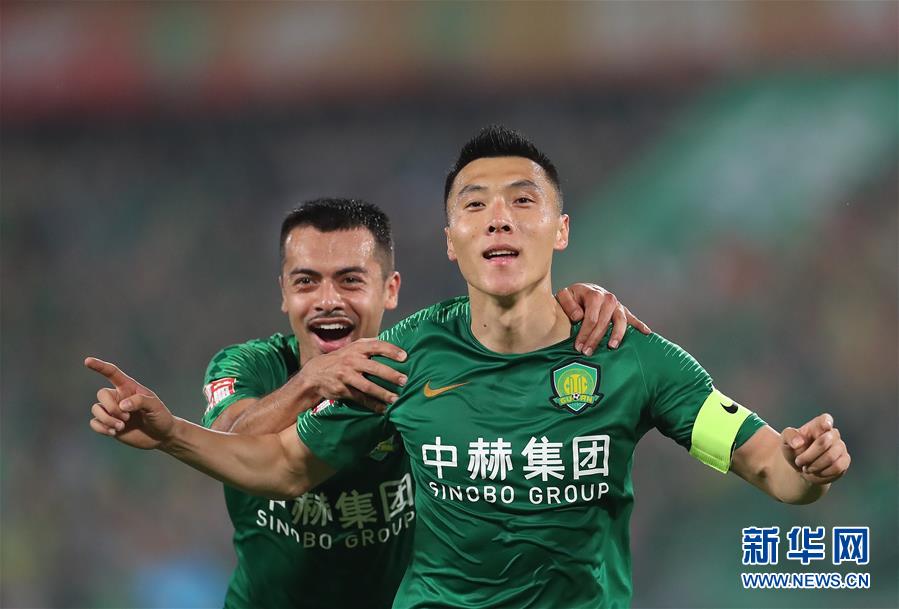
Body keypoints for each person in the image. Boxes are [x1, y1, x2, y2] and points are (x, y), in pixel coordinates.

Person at [87, 127, 850, 609]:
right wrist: (171, 431)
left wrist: (806, 466)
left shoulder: (633, 356)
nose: (499, 217)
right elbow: (283, 465)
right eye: (475, 204)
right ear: (450, 240)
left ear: (560, 229)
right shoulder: (401, 358)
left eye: (522, 200)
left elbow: (768, 466)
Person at [89, 196, 649, 609]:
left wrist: (575, 307)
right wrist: (312, 383)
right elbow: (235, 439)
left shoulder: (421, 369)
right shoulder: (248, 366)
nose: (327, 300)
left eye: (350, 280)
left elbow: (509, 336)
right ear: (284, 293)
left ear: (390, 289)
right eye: (306, 282)